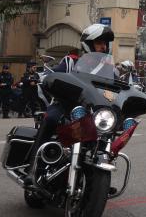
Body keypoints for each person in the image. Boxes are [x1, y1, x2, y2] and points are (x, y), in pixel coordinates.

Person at [25, 23, 115, 185]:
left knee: (108, 132)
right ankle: (33, 169)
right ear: (88, 44)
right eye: (99, 43)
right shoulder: (71, 61)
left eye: (105, 43)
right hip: (66, 106)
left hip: (93, 111)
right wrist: (45, 76)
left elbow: (118, 88)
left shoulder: (110, 69)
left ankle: (98, 179)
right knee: (50, 118)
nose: (103, 47)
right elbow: (53, 74)